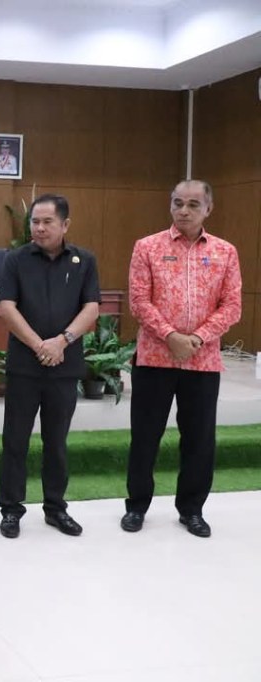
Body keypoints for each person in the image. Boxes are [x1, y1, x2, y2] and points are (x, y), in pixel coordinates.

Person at [122, 180, 242, 538]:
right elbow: (139, 301)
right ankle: (136, 506)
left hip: (202, 362)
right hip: (154, 359)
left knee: (199, 440)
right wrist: (170, 336)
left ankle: (191, 510)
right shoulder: (147, 247)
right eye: (178, 203)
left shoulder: (225, 252)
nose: (184, 211)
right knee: (145, 437)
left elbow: (232, 305)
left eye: (193, 204)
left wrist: (197, 338)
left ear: (208, 209)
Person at [0, 193, 101, 539]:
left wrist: (61, 342)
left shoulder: (84, 260)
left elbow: (91, 308)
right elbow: (6, 307)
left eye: (47, 222)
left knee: (56, 441)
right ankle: (11, 510)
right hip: (24, 366)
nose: (39, 228)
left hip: (63, 366)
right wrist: (39, 345)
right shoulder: (15, 259)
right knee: (15, 440)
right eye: (35, 222)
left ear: (65, 224)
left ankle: (55, 508)